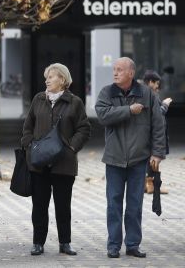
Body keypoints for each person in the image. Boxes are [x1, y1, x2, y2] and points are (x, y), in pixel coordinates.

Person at [95, 57, 166, 259]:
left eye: (120, 69)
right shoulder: (107, 92)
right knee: (113, 204)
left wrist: (157, 153)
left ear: (131, 73)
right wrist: (128, 110)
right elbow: (102, 115)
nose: (115, 73)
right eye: (114, 69)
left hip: (139, 159)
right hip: (114, 158)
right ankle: (113, 245)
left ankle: (133, 244)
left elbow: (158, 125)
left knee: (135, 205)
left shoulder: (146, 94)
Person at [21, 63, 91, 256]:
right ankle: (38, 242)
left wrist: (71, 147)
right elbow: (28, 126)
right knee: (40, 206)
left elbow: (84, 128)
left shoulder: (74, 102)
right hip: (39, 163)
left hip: (64, 164)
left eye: (51, 77)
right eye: (46, 77)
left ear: (62, 79)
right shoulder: (38, 99)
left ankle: (65, 242)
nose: (47, 80)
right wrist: (30, 145)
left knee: (63, 206)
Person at [142, 70, 171, 194]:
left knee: (150, 157)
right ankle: (151, 184)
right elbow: (156, 114)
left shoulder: (147, 93)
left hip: (150, 133)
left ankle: (147, 184)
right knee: (153, 157)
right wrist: (165, 105)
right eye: (156, 83)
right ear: (150, 82)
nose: (157, 86)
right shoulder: (148, 95)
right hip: (152, 133)